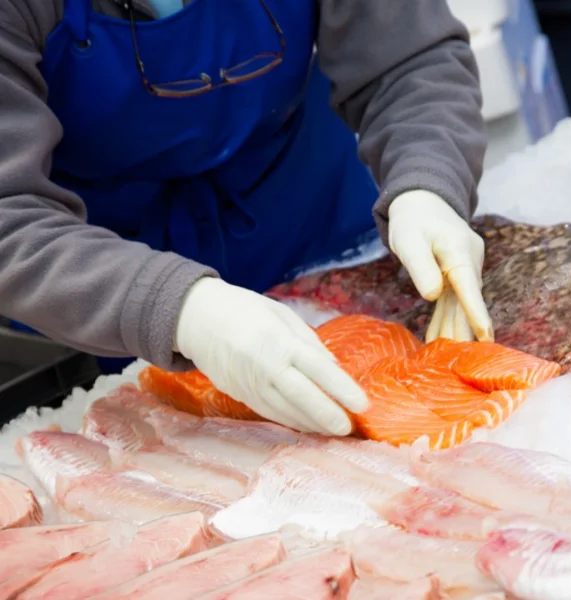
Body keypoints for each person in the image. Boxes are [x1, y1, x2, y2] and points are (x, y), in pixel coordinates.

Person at [0, 0, 494, 436]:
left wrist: (426, 182)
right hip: (96, 278)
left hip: (314, 222)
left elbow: (410, 60)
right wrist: (181, 310)